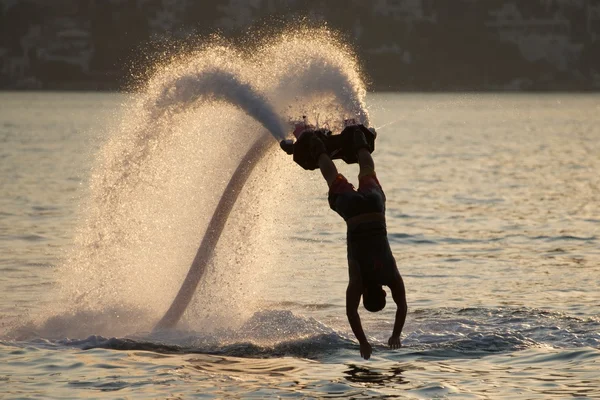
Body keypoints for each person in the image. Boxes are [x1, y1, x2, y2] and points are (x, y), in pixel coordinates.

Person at [309, 128, 407, 360]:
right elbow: (351, 313)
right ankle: (317, 146)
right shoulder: (358, 281)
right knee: (332, 178)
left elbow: (402, 307)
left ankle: (359, 141)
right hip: (352, 211)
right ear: (364, 295)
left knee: (367, 170)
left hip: (374, 208)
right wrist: (363, 342)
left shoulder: (390, 276)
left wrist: (396, 335)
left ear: (383, 293)